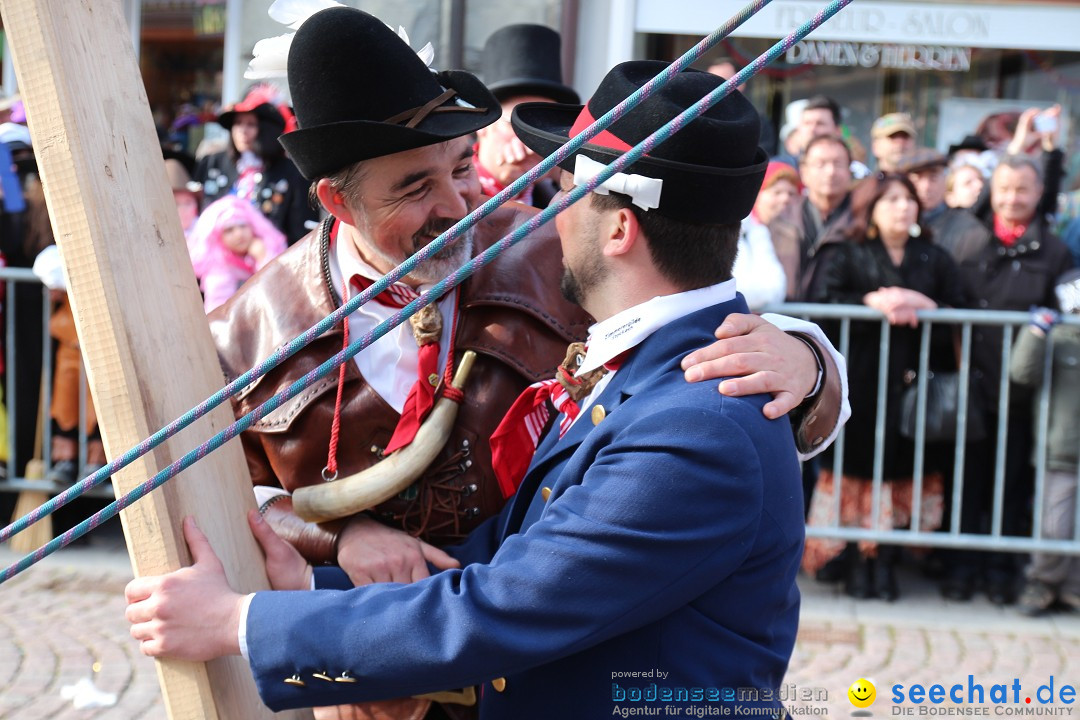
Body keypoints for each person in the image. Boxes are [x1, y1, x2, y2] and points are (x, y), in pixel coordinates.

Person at [202, 7, 845, 718]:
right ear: (336, 201)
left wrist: (810, 360)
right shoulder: (249, 331)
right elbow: (223, 500)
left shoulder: (551, 256)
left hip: (515, 656)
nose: (460, 205)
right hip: (365, 684)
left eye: (460, 167)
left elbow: (684, 320)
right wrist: (331, 545)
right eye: (415, 187)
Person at [804, 174, 966, 601]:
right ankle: (858, 562)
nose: (902, 207)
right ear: (871, 207)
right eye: (892, 199)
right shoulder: (848, 253)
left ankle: (887, 562)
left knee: (901, 469)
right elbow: (820, 302)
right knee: (858, 469)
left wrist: (929, 307)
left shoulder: (933, 256)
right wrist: (868, 302)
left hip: (914, 384)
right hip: (861, 380)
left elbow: (963, 305)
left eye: (908, 200)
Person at [942, 153, 1075, 604]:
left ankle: (1000, 569)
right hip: (970, 383)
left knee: (1011, 482)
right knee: (967, 479)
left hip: (1023, 389)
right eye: (1004, 188)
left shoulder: (1055, 252)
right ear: (990, 191)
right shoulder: (965, 239)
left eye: (1022, 189)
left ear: (1039, 193)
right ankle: (961, 566)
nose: (1012, 198)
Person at [1010, 272, 1080, 616]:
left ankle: (1072, 586)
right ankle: (1043, 581)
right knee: (1054, 522)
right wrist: (1035, 333)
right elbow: (1022, 371)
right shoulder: (1060, 337)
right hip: (1061, 448)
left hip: (1063, 443)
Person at [193, 85, 317, 245]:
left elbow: (300, 231)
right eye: (238, 123)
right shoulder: (211, 162)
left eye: (251, 124)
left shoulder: (291, 172)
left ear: (267, 130)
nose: (242, 131)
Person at [474, 24, 578, 208]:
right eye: (518, 123)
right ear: (484, 124)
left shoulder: (559, 198)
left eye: (544, 125)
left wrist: (565, 177)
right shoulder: (456, 191)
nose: (532, 141)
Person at [187, 195, 287, 313]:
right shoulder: (219, 269)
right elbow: (218, 314)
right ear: (218, 236)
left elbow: (282, 291)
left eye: (242, 225)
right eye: (229, 230)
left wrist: (263, 257)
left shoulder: (266, 249)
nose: (239, 234)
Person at [793, 134, 861, 298]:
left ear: (849, 170)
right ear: (804, 171)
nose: (830, 172)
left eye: (838, 164)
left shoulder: (863, 218)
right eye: (820, 164)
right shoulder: (783, 216)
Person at [897, 148, 989, 263]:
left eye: (933, 178)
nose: (926, 187)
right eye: (917, 178)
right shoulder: (894, 224)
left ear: (945, 180)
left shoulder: (969, 231)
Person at [736, 161, 798, 307]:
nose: (785, 199)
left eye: (791, 193)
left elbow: (777, 289)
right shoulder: (742, 229)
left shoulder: (785, 234)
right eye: (777, 192)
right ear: (756, 194)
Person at [773, 95, 841, 168]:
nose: (812, 129)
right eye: (807, 123)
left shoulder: (851, 170)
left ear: (837, 131)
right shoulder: (779, 168)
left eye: (820, 123)